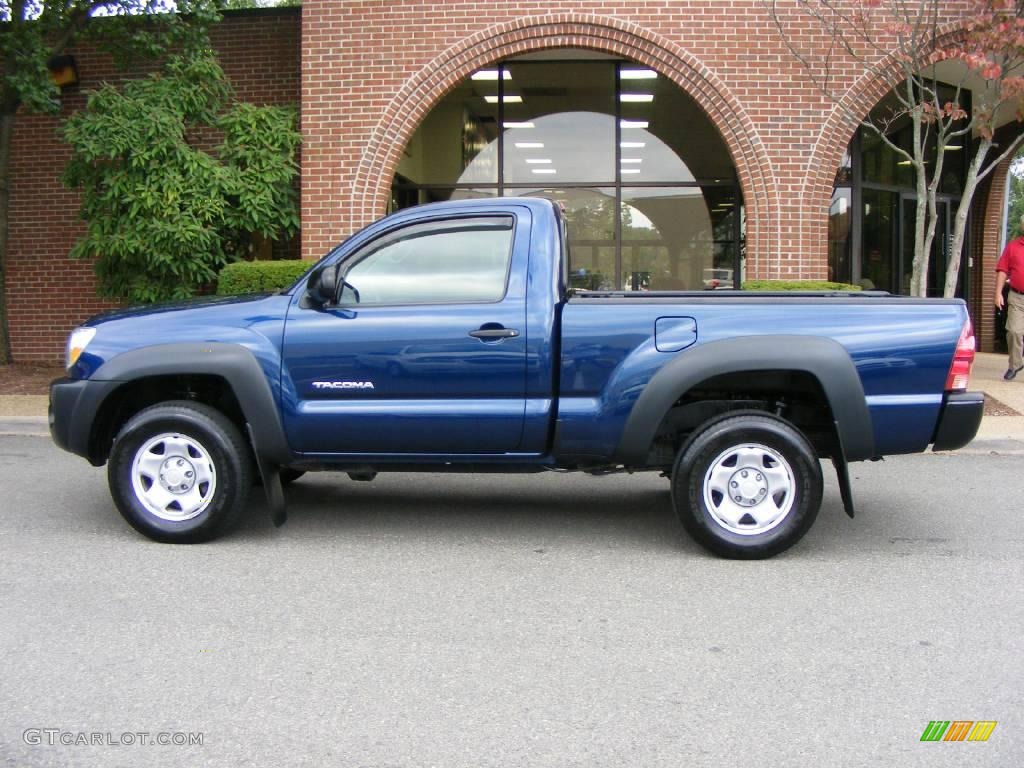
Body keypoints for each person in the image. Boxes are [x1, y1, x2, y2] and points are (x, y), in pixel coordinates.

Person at [995, 214, 1024, 380]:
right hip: (1017, 297)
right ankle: (1015, 364)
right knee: (1014, 331)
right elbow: (1003, 270)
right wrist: (998, 293)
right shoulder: (1013, 247)